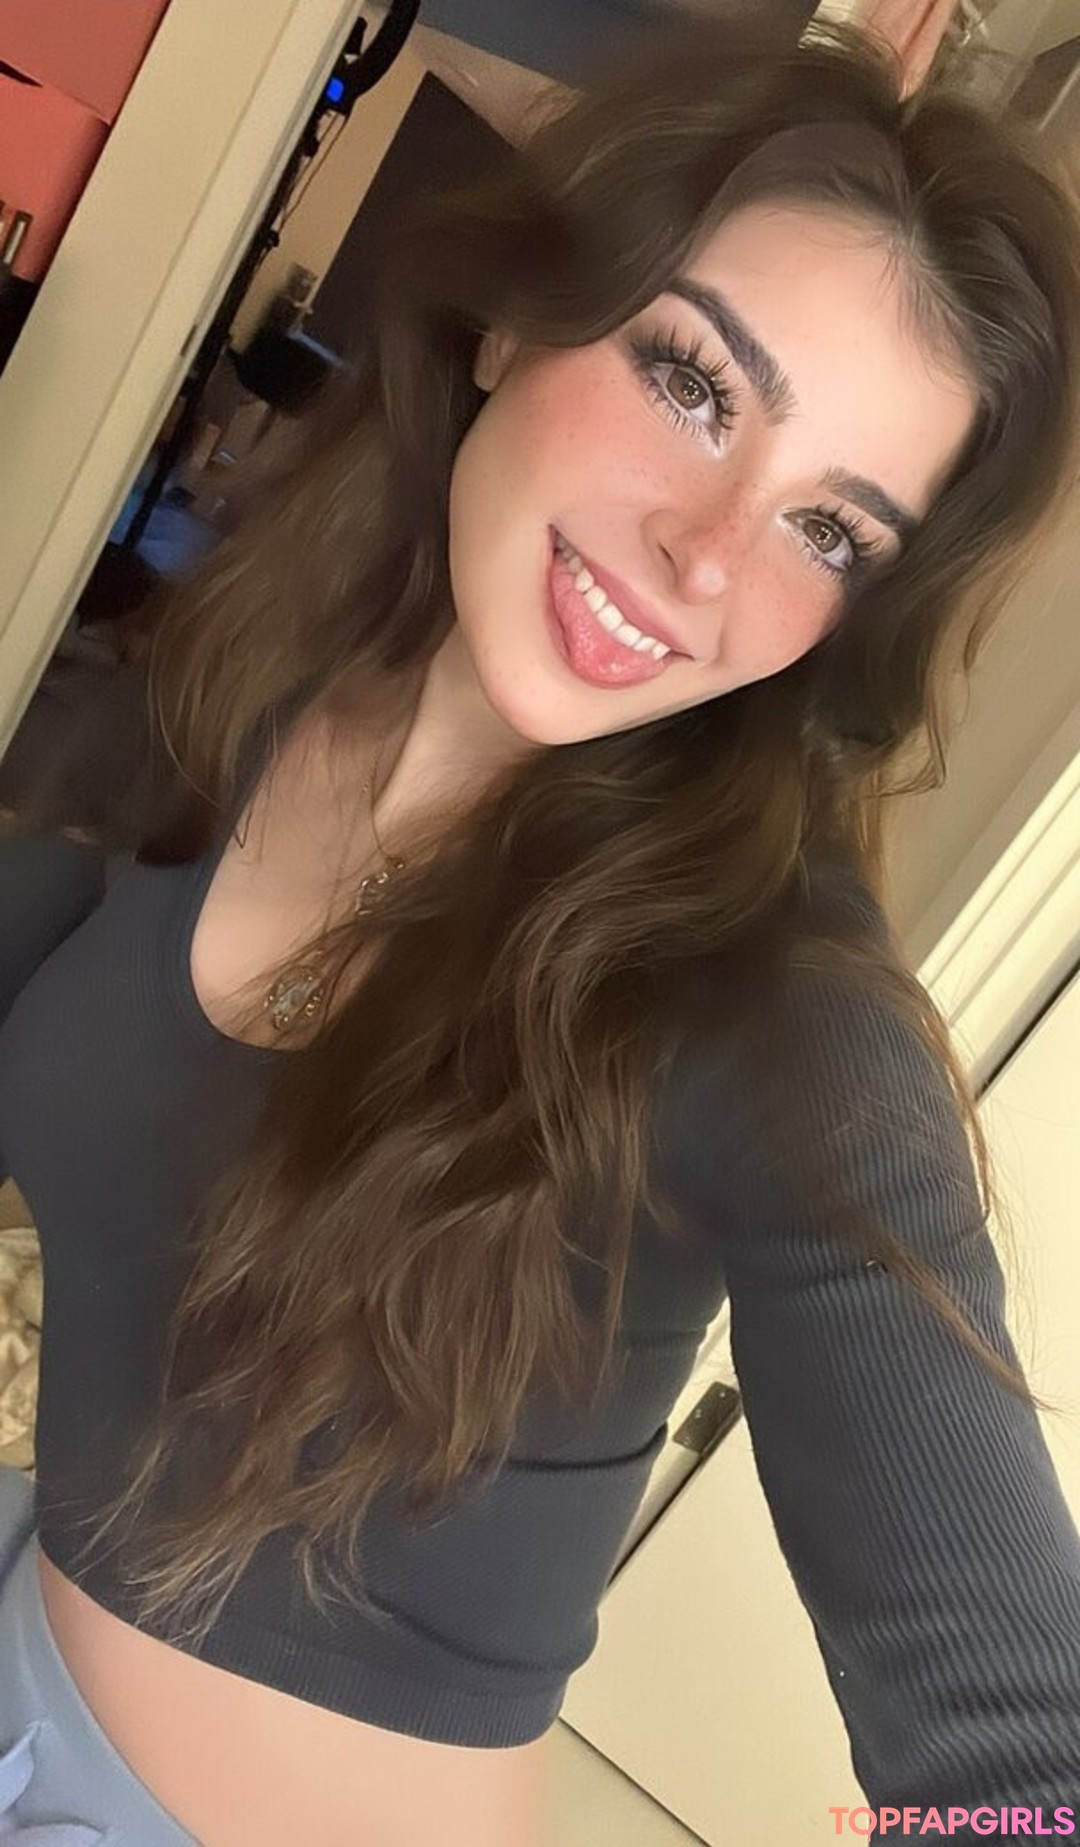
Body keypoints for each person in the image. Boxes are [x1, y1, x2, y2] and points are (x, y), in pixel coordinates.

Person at [1, 11, 1079, 1844]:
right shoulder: (250, 690)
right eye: (695, 385)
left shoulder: (778, 1012)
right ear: (517, 318)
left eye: (831, 532)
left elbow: (1030, 1768)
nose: (708, 555)